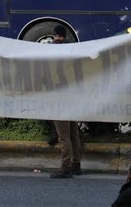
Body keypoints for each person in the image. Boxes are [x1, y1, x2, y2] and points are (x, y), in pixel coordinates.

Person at [50, 25, 83, 178]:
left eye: (57, 36)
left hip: (59, 98)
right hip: (72, 97)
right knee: (73, 133)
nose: (55, 39)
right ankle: (76, 164)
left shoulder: (52, 52)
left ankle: (65, 167)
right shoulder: (73, 51)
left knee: (63, 136)